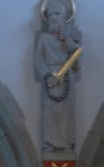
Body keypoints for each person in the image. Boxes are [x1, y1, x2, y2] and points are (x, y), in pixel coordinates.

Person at [33, 0, 83, 156]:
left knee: (66, 112)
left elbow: (76, 60)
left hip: (66, 76)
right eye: (51, 14)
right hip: (51, 77)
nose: (55, 17)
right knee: (50, 111)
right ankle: (50, 143)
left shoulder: (70, 38)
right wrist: (47, 75)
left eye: (58, 14)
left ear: (64, 16)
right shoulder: (43, 38)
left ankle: (66, 143)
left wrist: (68, 43)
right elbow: (38, 58)